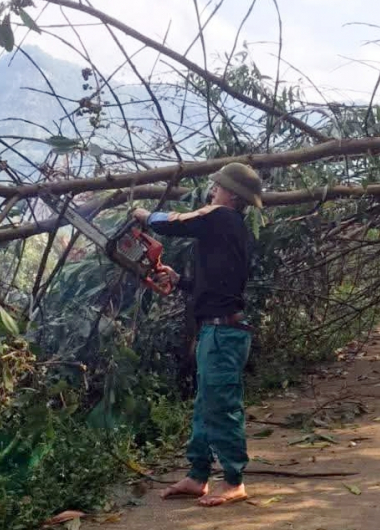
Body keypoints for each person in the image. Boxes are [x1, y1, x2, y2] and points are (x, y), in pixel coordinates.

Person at [132, 163, 262, 508]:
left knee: (223, 407)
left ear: (231, 194)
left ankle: (234, 480)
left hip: (224, 333)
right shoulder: (230, 227)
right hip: (216, 329)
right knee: (206, 406)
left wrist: (143, 214)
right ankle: (197, 475)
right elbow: (218, 284)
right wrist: (179, 280)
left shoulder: (222, 216)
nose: (212, 190)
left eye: (218, 186)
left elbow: (175, 222)